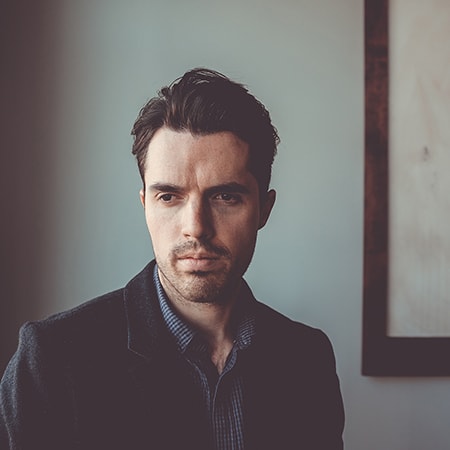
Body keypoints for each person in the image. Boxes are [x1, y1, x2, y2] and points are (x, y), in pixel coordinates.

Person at [0, 68, 344, 449]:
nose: (196, 228)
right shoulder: (52, 361)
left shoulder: (308, 359)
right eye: (169, 197)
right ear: (145, 205)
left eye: (225, 197)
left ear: (265, 208)